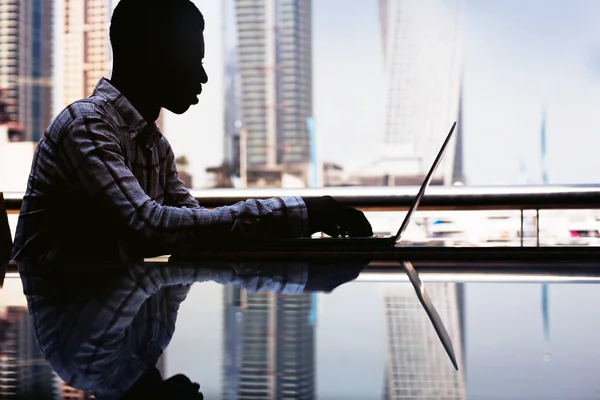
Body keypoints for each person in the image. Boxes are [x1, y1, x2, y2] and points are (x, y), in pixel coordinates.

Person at [11, 0, 372, 267]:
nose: (202, 77)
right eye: (193, 60)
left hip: (108, 323)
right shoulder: (86, 125)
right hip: (56, 320)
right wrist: (303, 213)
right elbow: (150, 225)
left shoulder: (156, 146)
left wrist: (305, 235)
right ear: (148, 56)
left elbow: (198, 227)